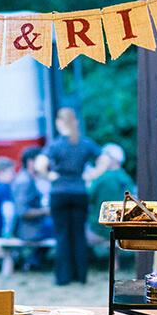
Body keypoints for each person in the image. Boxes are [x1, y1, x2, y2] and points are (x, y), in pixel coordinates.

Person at [36, 108, 100, 285]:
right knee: (79, 234)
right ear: (76, 122)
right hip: (79, 192)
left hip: (59, 193)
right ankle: (81, 276)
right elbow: (105, 159)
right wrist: (94, 173)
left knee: (62, 235)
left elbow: (40, 164)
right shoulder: (85, 143)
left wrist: (48, 176)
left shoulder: (55, 145)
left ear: (58, 122)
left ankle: (63, 277)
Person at [12, 147, 55, 269]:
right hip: (28, 230)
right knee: (64, 229)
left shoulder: (29, 178)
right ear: (31, 162)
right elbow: (22, 212)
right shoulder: (24, 182)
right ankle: (34, 261)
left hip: (32, 226)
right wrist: (46, 211)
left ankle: (34, 260)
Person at [87, 143, 135, 244]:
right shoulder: (127, 179)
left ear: (111, 159)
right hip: (122, 230)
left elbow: (87, 197)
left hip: (99, 230)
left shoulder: (101, 178)